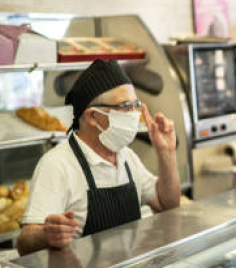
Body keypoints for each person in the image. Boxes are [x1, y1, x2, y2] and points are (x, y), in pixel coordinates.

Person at [17, 59, 180, 255]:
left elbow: (167, 205)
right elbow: (25, 242)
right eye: (126, 106)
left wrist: (166, 153)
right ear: (93, 117)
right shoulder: (57, 164)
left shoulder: (127, 157)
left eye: (136, 105)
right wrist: (46, 235)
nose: (135, 114)